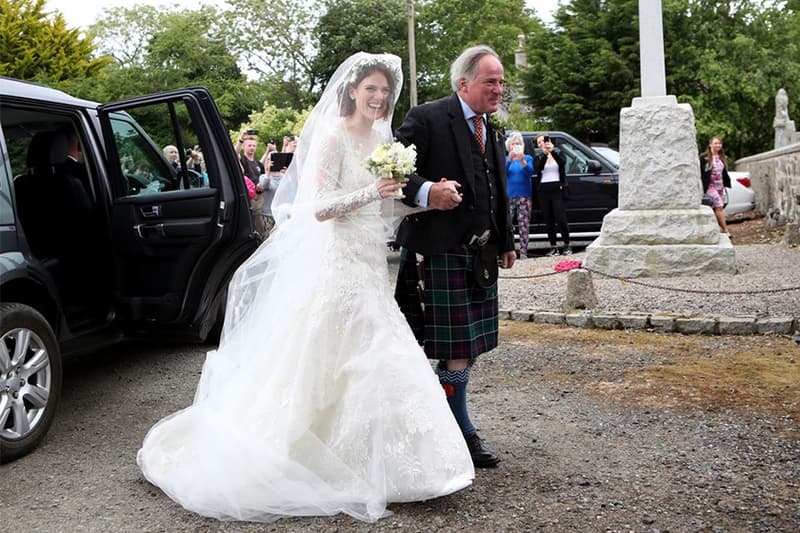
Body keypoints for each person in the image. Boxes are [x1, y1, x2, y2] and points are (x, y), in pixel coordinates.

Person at [136, 52, 474, 523]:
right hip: (338, 263)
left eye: (385, 91)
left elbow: (384, 210)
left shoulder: (382, 138)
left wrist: (426, 204)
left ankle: (395, 466)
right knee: (337, 353)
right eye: (370, 89)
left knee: (379, 355)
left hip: (372, 263)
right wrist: (370, 191)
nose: (378, 98)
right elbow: (317, 208)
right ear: (353, 91)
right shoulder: (334, 136)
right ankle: (314, 457)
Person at [393, 45, 516, 469]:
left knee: (468, 347)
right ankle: (459, 431)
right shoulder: (427, 118)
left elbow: (496, 187)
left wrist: (506, 240)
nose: (499, 88)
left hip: (480, 254)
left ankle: (446, 422)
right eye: (491, 81)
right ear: (464, 84)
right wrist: (429, 192)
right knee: (455, 348)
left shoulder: (491, 128)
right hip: (438, 249)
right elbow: (393, 174)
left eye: (501, 81)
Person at [533, 134, 571, 256]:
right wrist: (545, 154)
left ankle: (566, 244)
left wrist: (552, 151)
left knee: (561, 218)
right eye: (539, 143)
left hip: (557, 189)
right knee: (548, 219)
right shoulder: (538, 156)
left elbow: (562, 163)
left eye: (543, 141)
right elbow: (538, 168)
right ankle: (553, 246)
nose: (542, 144)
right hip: (543, 190)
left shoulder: (558, 153)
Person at [505, 132, 534, 258]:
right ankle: (508, 250)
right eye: (513, 144)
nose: (515, 146)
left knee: (523, 225)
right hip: (509, 196)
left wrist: (522, 160)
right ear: (509, 146)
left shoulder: (527, 158)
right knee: (507, 225)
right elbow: (502, 173)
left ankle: (523, 252)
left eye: (518, 144)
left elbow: (530, 172)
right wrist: (510, 159)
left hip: (524, 196)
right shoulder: (506, 159)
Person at [700, 136, 732, 236]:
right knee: (719, 205)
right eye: (715, 143)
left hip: (720, 185)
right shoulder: (704, 158)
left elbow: (723, 172)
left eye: (719, 143)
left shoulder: (722, 157)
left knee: (717, 208)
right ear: (710, 145)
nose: (718, 145)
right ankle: (726, 230)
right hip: (710, 185)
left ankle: (715, 228)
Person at [236, 134, 267, 236]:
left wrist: (261, 185)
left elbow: (264, 178)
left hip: (260, 196)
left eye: (254, 146)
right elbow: (235, 154)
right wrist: (241, 140)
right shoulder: (243, 160)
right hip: (249, 197)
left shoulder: (258, 164)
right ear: (244, 147)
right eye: (249, 145)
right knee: (254, 223)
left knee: (262, 223)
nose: (252, 148)